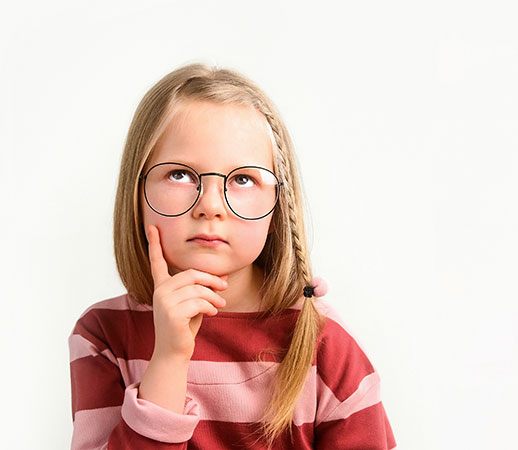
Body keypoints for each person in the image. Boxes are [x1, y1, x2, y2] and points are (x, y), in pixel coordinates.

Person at [68, 63, 397, 449]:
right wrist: (170, 359)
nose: (210, 205)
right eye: (180, 174)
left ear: (278, 208)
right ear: (136, 195)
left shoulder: (321, 342)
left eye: (242, 179)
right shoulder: (103, 337)